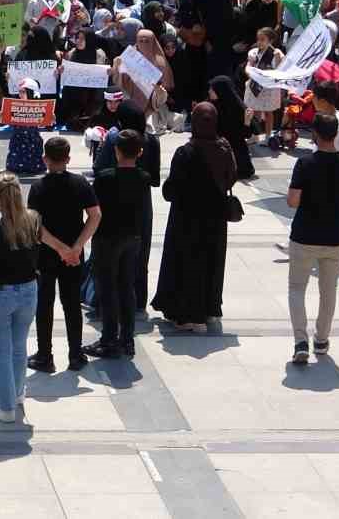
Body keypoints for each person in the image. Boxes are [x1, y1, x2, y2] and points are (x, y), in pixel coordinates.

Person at [285, 113, 339, 363]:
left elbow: (292, 200)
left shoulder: (305, 164)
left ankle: (300, 341)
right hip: (334, 237)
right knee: (328, 291)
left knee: (297, 288)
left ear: (315, 134)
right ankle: (321, 339)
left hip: (304, 235)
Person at [151, 102, 236, 331]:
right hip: (215, 220)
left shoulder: (186, 152)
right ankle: (208, 311)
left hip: (186, 220)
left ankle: (187, 315)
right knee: (211, 263)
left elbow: (171, 190)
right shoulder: (224, 148)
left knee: (187, 263)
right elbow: (231, 179)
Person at [26, 136, 101, 373]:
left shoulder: (38, 187)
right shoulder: (80, 183)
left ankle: (45, 356)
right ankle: (75, 354)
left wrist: (59, 248)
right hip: (73, 257)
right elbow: (95, 215)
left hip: (46, 255)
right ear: (68, 159)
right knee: (71, 304)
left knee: (44, 305)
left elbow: (35, 226)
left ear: (44, 159)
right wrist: (76, 247)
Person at [0, 172, 45, 423]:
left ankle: (5, 407)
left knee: (1, 352)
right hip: (28, 289)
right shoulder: (33, 220)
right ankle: (17, 394)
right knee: (19, 347)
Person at [87, 129, 148, 358]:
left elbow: (94, 209)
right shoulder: (143, 178)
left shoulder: (104, 177)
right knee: (126, 288)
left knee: (108, 288)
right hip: (132, 238)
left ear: (116, 150)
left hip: (107, 239)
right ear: (140, 152)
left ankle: (109, 339)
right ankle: (127, 339)